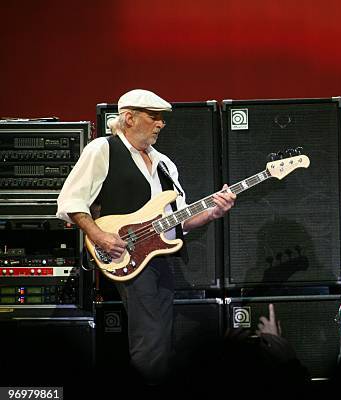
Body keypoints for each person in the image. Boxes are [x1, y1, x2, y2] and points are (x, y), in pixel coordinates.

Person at [56, 89, 236, 384]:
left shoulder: (165, 163)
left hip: (159, 257)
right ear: (128, 118)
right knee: (151, 339)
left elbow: (180, 220)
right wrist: (99, 235)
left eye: (162, 119)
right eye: (154, 117)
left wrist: (214, 212)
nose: (161, 124)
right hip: (125, 254)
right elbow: (70, 201)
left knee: (161, 337)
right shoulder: (103, 149)